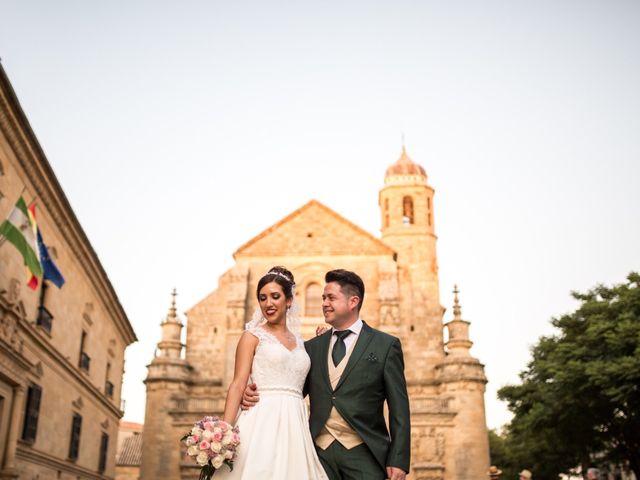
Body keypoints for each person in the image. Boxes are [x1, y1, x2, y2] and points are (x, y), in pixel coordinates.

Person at [244, 269, 411, 480]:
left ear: (353, 301)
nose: (324, 303)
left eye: (331, 298)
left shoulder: (385, 345)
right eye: (322, 297)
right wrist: (250, 393)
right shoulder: (311, 347)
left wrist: (398, 460)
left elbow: (399, 408)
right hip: (316, 453)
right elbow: (291, 387)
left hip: (364, 452)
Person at [216, 266, 328, 479]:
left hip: (296, 423)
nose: (268, 303)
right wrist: (224, 432)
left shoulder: (303, 343)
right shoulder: (252, 337)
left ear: (289, 301)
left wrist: (324, 342)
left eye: (275, 296)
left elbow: (308, 382)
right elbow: (238, 384)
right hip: (261, 420)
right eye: (263, 298)